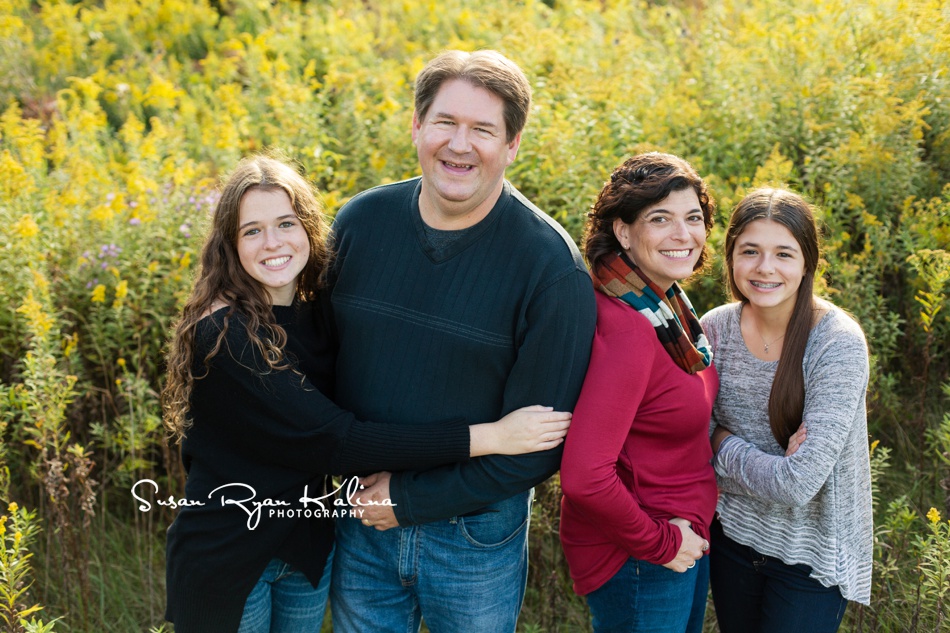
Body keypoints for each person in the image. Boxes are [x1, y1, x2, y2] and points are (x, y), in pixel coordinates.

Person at [159, 155, 574, 633]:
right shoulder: (225, 333)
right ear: (229, 246)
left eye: (286, 223)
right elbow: (336, 441)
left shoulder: (314, 313)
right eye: (252, 231)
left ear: (309, 230)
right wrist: (492, 436)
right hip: (230, 554)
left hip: (306, 548)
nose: (273, 242)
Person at [327, 50, 597, 632]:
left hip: (474, 536)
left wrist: (409, 502)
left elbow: (537, 447)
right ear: (417, 126)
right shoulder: (358, 225)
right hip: (359, 514)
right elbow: (313, 364)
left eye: (483, 130)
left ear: (512, 145)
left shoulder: (550, 270)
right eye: (446, 122)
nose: (459, 144)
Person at [559, 152, 719, 633]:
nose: (682, 234)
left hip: (676, 538)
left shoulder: (665, 305)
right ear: (623, 231)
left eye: (693, 218)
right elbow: (585, 476)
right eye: (660, 219)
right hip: (640, 555)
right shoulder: (629, 327)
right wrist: (661, 544)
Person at [701, 188, 873, 633]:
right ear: (731, 257)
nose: (765, 268)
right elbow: (685, 439)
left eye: (783, 253)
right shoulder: (713, 329)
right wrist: (727, 447)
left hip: (810, 554)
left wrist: (720, 439)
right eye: (750, 251)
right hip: (732, 535)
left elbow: (798, 484)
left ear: (807, 263)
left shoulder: (835, 342)